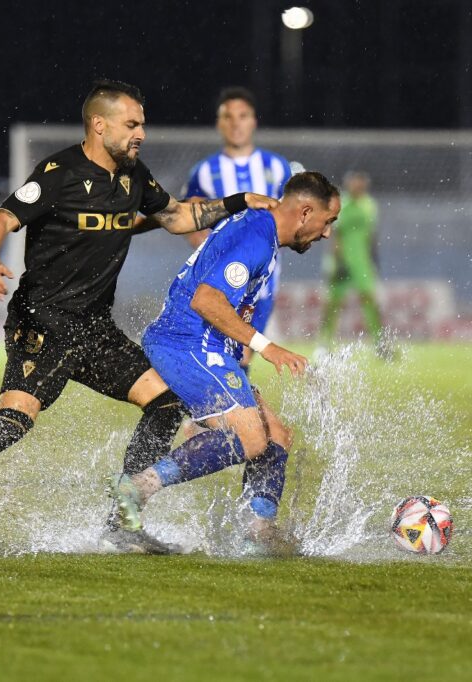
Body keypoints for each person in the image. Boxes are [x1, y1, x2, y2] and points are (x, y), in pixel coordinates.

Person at [0, 79, 277, 555]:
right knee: (11, 424)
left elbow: (179, 218)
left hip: (96, 329)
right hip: (43, 326)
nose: (141, 132)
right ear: (99, 125)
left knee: (166, 406)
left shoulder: (134, 177)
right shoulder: (59, 172)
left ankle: (121, 521)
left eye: (142, 124)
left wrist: (236, 202)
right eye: (132, 124)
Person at [110, 171, 341, 556]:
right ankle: (138, 488)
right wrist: (267, 346)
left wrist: (240, 341)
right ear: (304, 213)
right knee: (250, 439)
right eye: (327, 221)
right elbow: (206, 300)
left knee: (277, 435)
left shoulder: (262, 230)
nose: (327, 233)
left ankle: (257, 531)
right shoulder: (256, 237)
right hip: (185, 344)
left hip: (206, 346)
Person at [183, 87, 293, 373]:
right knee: (227, 354)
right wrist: (209, 254)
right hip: (220, 281)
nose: (236, 123)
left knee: (241, 353)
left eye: (242, 116)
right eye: (228, 117)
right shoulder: (204, 171)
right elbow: (190, 218)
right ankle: (217, 415)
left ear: (254, 121)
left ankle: (212, 415)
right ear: (219, 123)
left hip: (264, 285)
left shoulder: (278, 167)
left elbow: (292, 218)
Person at [319, 171, 386, 355]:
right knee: (333, 302)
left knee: (370, 300)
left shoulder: (370, 205)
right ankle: (324, 342)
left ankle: (380, 342)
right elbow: (335, 234)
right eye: (355, 182)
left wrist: (374, 259)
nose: (358, 185)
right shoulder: (342, 204)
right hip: (342, 261)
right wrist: (336, 261)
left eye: (361, 182)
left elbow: (371, 235)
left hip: (362, 262)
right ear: (349, 183)